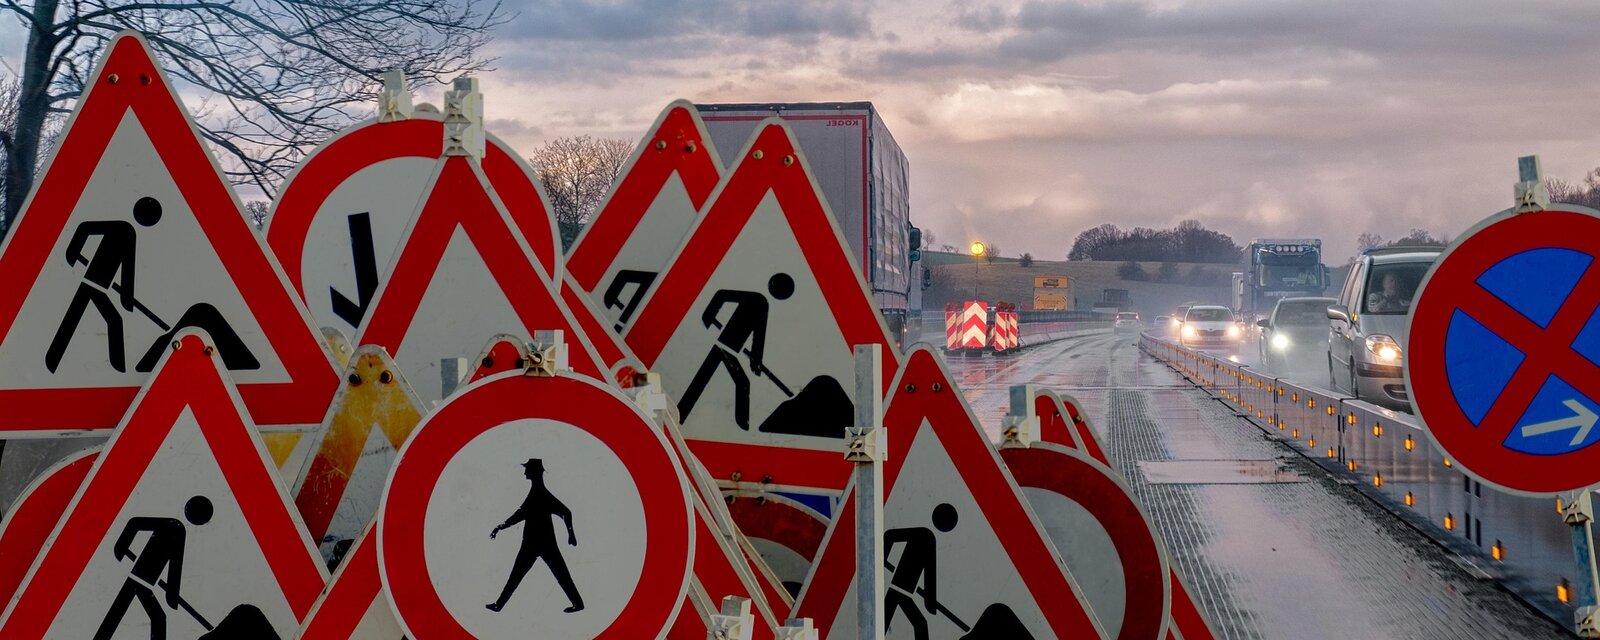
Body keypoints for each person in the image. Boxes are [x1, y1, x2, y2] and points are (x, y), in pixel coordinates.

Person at [48, 196, 163, 373]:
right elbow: (85, 228)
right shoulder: (124, 229)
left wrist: (127, 298)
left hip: (97, 286)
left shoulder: (126, 231)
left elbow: (127, 270)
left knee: (74, 319)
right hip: (92, 283)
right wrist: (72, 253)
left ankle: (52, 361)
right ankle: (119, 369)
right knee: (111, 321)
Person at [677, 273, 794, 430]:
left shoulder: (761, 303)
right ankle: (743, 427)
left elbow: (759, 336)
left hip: (727, 348)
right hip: (724, 346)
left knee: (704, 379)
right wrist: (709, 315)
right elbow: (722, 295)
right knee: (738, 382)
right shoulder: (758, 300)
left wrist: (756, 361)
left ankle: (679, 415)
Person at [95, 496, 213, 640]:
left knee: (126, 613)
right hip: (137, 580)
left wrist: (171, 595)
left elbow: (175, 566)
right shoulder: (174, 526)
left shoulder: (177, 529)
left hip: (142, 583)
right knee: (152, 617)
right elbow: (135, 523)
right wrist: (121, 547)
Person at [487, 458, 583, 614]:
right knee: (521, 576)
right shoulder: (536, 493)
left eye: (527, 469)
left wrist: (571, 534)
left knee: (521, 576)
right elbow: (519, 515)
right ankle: (499, 605)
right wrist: (500, 527)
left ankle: (499, 605)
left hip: (538, 544)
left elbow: (566, 512)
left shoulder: (540, 494)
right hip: (537, 544)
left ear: (533, 472)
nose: (524, 472)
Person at [884, 503, 960, 640]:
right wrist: (881, 558)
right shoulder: (924, 535)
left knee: (917, 624)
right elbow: (889, 536)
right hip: (898, 590)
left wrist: (930, 602)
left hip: (903, 592)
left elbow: (929, 574)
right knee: (919, 624)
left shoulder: (928, 537)